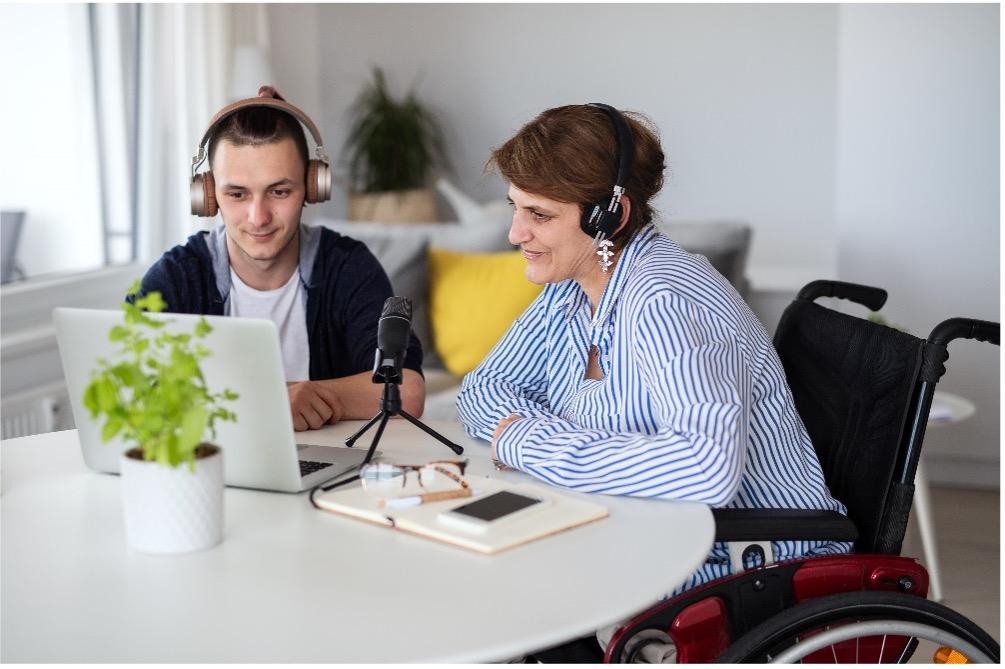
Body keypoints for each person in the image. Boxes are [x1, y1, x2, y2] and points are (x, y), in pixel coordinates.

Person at [456, 104, 849, 660]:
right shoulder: (572, 287)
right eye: (516, 208)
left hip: (749, 561)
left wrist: (527, 440)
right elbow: (481, 392)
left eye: (540, 215)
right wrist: (540, 436)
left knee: (500, 605)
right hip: (652, 536)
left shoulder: (664, 299)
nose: (516, 232)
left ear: (608, 217)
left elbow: (705, 468)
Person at [133, 86, 424, 431]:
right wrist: (272, 398)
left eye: (279, 191)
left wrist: (312, 395)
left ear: (312, 187)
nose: (259, 217)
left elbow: (408, 390)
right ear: (208, 195)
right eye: (237, 194)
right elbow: (129, 392)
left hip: (331, 469)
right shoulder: (177, 276)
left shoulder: (348, 266)